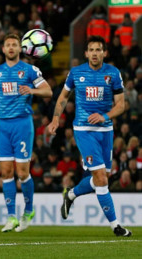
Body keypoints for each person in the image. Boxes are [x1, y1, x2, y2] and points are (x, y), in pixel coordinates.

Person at [47, 35, 131, 237]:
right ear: (86, 53)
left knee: (103, 178)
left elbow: (122, 105)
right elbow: (62, 97)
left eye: (98, 49)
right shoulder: (76, 73)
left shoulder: (113, 73)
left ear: (104, 53)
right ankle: (116, 227)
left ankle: (72, 194)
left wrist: (105, 116)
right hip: (84, 131)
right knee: (101, 178)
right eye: (91, 50)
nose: (95, 53)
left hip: (106, 131)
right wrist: (56, 119)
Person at [0, 33, 52, 233]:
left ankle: (29, 211)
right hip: (3, 126)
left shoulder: (29, 70)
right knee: (5, 172)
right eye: (8, 45)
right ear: (4, 49)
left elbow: (48, 91)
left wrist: (31, 91)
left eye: (15, 45)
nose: (12, 48)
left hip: (22, 124)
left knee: (22, 172)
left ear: (20, 49)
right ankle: (11, 216)